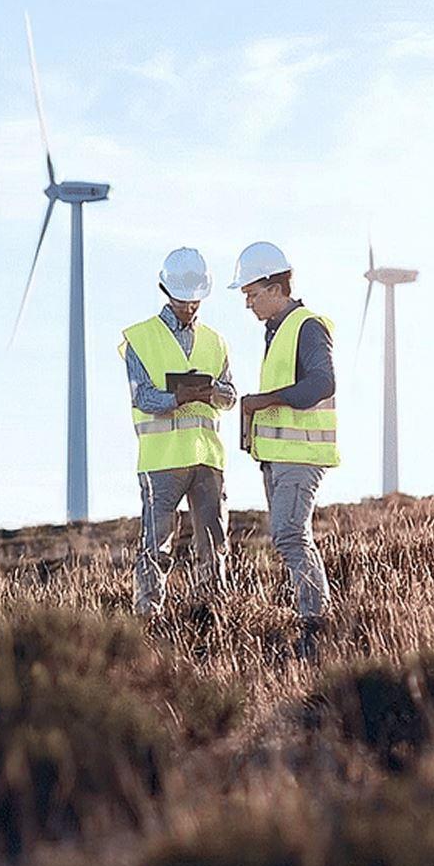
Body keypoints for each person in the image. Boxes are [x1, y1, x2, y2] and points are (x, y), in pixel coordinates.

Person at [229, 241, 338, 661]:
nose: (248, 304)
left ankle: (315, 626)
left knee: (291, 534)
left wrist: (266, 400)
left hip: (301, 456)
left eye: (252, 294)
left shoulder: (307, 327)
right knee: (289, 536)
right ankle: (314, 620)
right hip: (278, 457)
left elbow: (322, 383)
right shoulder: (277, 330)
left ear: (275, 288)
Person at [119, 247, 238, 616]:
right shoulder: (140, 338)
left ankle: (213, 615)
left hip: (207, 459)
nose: (190, 306)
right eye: (183, 299)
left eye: (195, 299)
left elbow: (231, 396)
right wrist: (177, 397)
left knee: (213, 544)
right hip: (162, 461)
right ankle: (148, 616)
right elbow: (142, 397)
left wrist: (213, 392)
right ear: (165, 290)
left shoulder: (216, 341)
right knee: (155, 545)